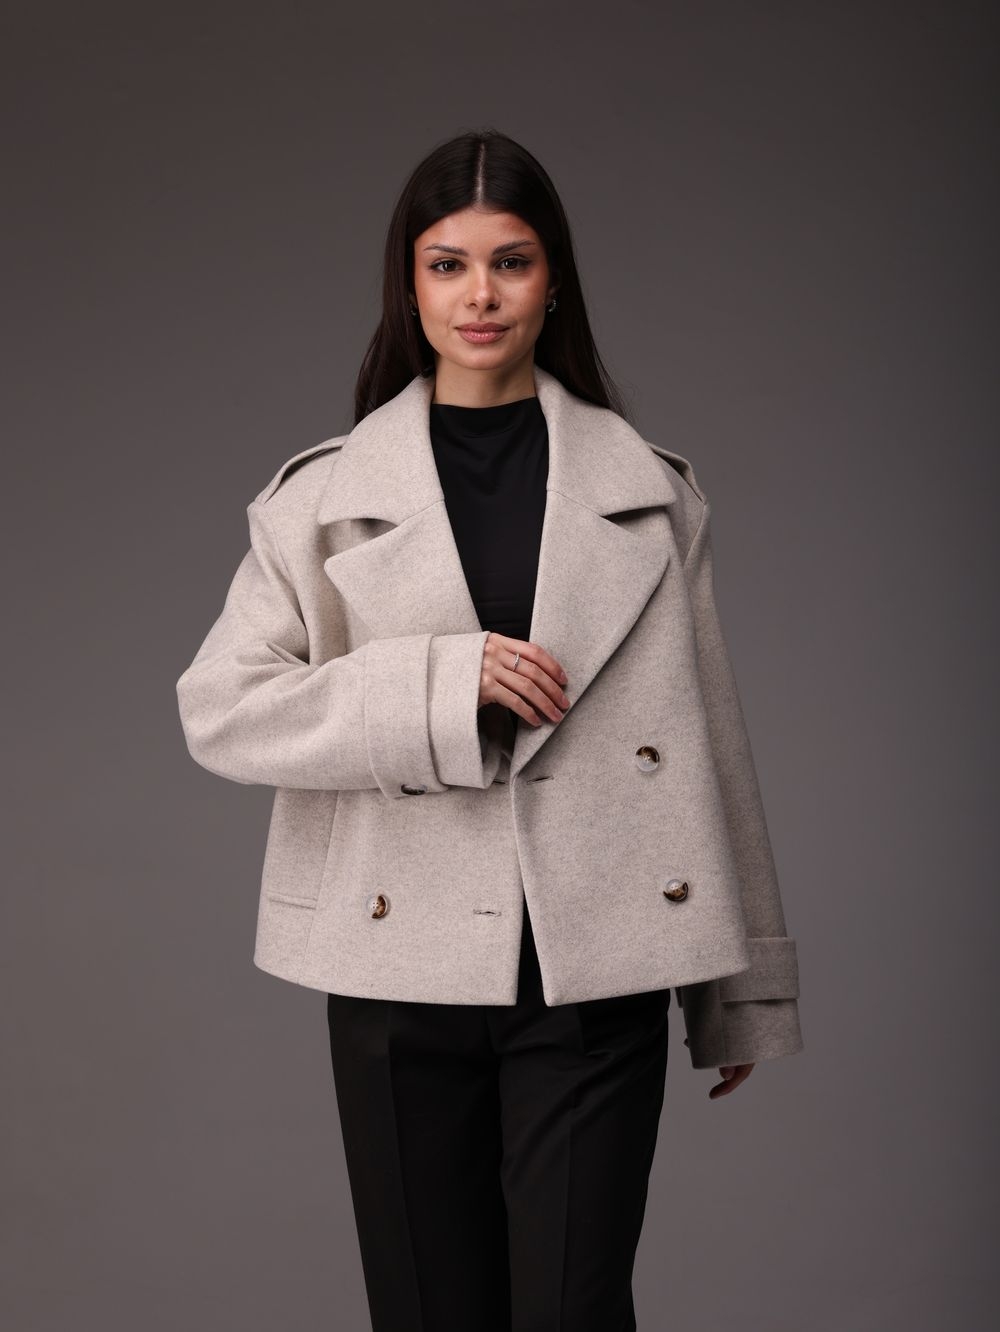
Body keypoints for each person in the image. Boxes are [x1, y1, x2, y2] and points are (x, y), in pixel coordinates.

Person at [176, 128, 804, 1332]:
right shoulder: (321, 500)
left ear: (552, 279)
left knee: (575, 1309)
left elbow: (706, 735)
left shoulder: (649, 492)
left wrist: (742, 989)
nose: (479, 295)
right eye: (447, 264)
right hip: (394, 970)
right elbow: (223, 708)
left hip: (598, 967)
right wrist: (434, 685)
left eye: (510, 262)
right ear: (408, 286)